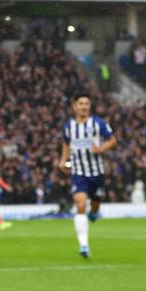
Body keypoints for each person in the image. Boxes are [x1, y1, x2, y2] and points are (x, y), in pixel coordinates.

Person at [58, 92, 116, 258]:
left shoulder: (98, 123)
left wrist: (102, 148)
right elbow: (66, 143)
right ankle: (84, 245)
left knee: (96, 203)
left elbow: (112, 140)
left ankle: (95, 213)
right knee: (81, 205)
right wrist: (63, 160)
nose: (84, 106)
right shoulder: (69, 127)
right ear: (74, 106)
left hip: (96, 172)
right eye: (81, 103)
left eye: (86, 104)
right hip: (78, 171)